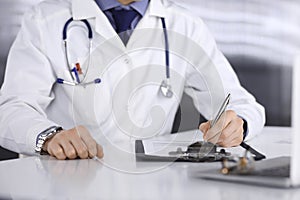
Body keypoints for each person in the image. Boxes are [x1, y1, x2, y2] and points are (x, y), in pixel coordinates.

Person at [0, 0, 265, 160]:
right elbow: (11, 109)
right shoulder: (45, 20)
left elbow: (241, 103)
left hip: (150, 185)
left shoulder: (184, 24)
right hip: (63, 182)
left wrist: (237, 124)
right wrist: (47, 137)